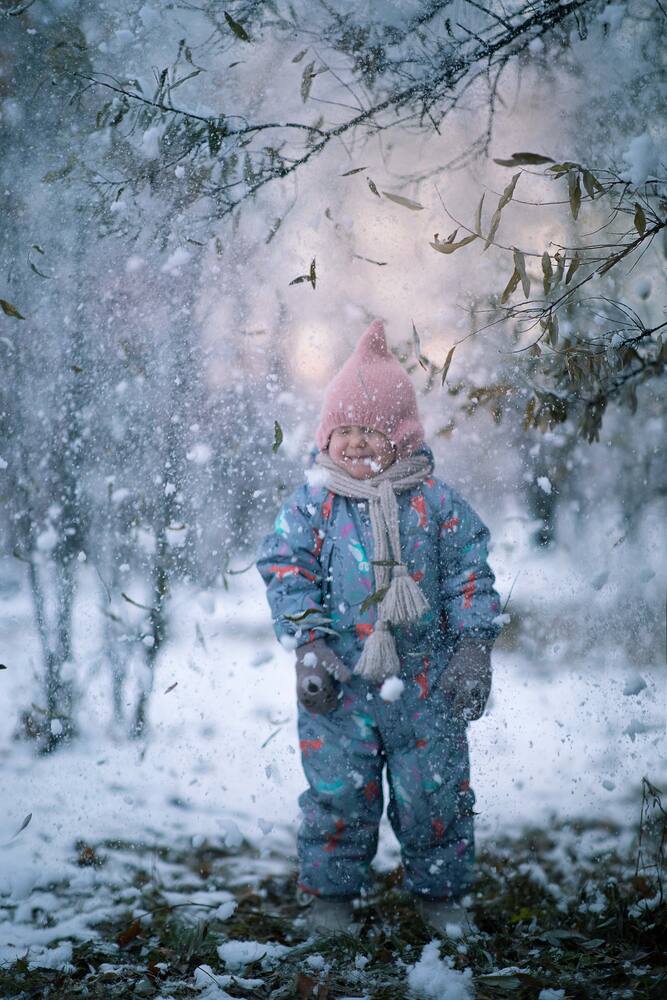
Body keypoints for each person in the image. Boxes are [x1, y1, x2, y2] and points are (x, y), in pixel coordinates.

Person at [256, 319, 502, 936]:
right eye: (345, 430)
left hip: (428, 685)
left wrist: (472, 646)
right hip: (339, 685)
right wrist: (309, 645)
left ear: (402, 437)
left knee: (436, 797)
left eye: (373, 431)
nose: (357, 444)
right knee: (339, 796)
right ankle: (331, 900)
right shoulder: (314, 504)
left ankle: (441, 897)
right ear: (326, 435)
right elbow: (286, 567)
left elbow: (470, 572)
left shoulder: (436, 503)